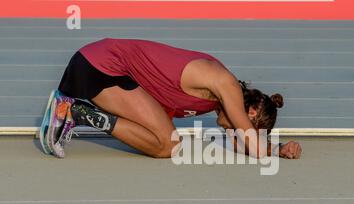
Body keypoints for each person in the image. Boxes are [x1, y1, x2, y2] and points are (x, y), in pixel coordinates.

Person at [40, 38, 302, 159]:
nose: (231, 129)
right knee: (170, 144)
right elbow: (250, 143)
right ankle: (72, 110)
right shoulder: (225, 83)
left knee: (165, 145)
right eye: (245, 125)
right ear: (251, 112)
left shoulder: (211, 101)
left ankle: (75, 112)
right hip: (100, 67)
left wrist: (272, 148)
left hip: (99, 73)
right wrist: (273, 150)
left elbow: (240, 144)